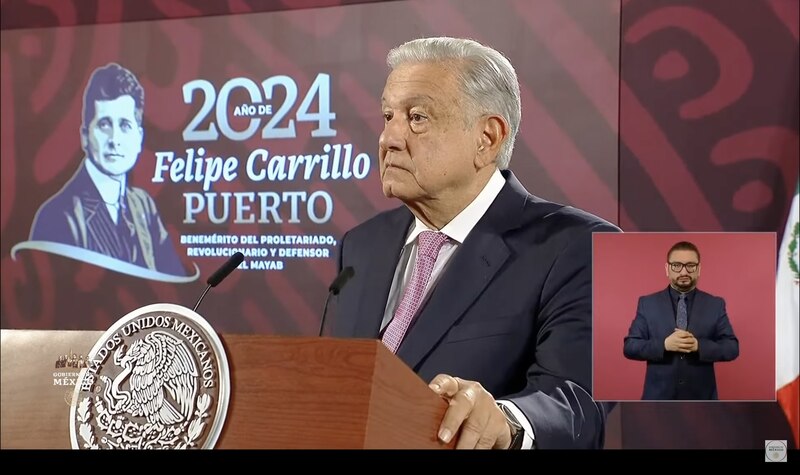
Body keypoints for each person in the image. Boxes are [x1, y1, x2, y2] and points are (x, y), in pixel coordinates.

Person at [330, 37, 620, 449]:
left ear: (487, 137)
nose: (388, 139)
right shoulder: (360, 245)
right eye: (387, 116)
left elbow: (577, 402)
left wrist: (506, 420)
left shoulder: (581, 248)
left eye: (416, 118)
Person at [29, 63, 186, 276]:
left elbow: (173, 283)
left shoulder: (144, 206)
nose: (114, 140)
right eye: (104, 124)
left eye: (124, 125)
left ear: (139, 138)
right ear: (85, 136)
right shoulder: (58, 216)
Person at [623, 241, 739, 400]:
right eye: (677, 265)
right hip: (657, 401)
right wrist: (664, 345)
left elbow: (732, 348)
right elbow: (630, 347)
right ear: (667, 269)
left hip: (703, 402)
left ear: (699, 269)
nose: (684, 271)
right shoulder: (647, 303)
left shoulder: (715, 304)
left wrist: (699, 346)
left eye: (690, 265)